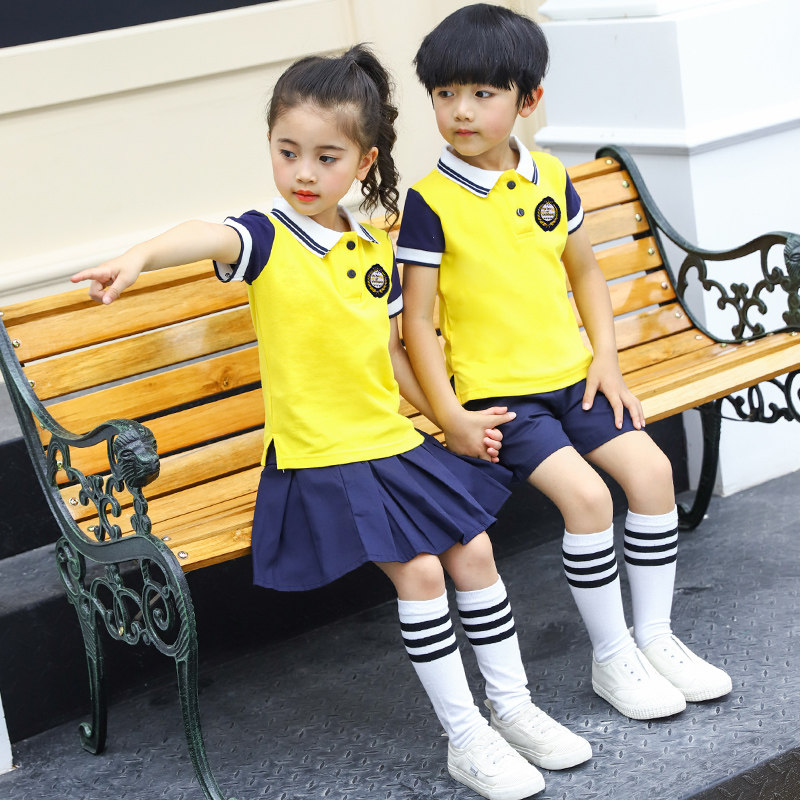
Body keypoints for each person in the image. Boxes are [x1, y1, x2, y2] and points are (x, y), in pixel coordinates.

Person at [71, 45, 591, 800]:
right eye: (287, 152)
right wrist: (139, 256)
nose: (304, 173)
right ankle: (467, 738)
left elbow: (395, 353)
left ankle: (514, 710)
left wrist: (447, 418)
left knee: (475, 550)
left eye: (326, 157)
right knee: (421, 571)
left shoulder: (372, 245)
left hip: (391, 442)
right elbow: (206, 233)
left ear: (364, 160)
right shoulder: (267, 237)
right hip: (321, 456)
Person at [398, 3, 732, 723]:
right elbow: (416, 323)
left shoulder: (549, 176)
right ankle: (612, 656)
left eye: (483, 93)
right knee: (587, 499)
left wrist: (606, 358)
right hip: (501, 399)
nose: (461, 111)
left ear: (529, 100)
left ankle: (655, 637)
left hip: (575, 378)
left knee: (653, 474)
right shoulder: (430, 202)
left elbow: (584, 271)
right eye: (445, 94)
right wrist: (450, 416)